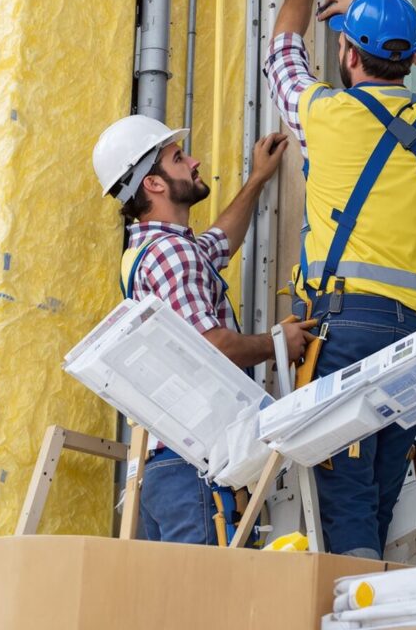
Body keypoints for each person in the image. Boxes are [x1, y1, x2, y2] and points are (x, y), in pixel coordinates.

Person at [263, 0, 416, 559]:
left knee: (345, 496)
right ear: (405, 59)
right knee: (378, 494)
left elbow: (282, 49)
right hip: (415, 343)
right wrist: (384, 8)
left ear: (347, 55)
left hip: (345, 333)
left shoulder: (323, 115)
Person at [91, 114, 314, 543]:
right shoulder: (174, 253)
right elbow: (212, 345)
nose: (193, 162)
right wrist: (276, 343)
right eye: (178, 158)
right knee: (211, 602)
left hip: (166, 470)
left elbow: (219, 241)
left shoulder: (150, 250)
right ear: (153, 184)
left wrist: (258, 180)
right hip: (195, 467)